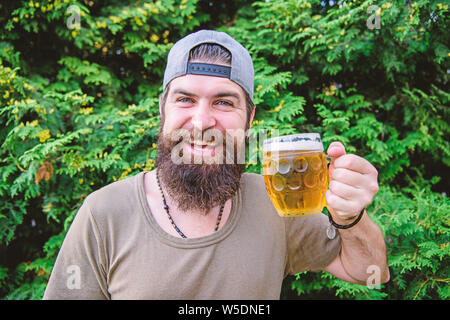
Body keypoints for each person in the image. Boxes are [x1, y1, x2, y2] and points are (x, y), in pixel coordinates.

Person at [43, 30, 389, 299]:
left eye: (224, 102)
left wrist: (350, 218)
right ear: (163, 110)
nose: (201, 122)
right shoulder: (104, 213)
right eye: (185, 99)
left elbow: (370, 272)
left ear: (249, 118)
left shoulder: (275, 202)